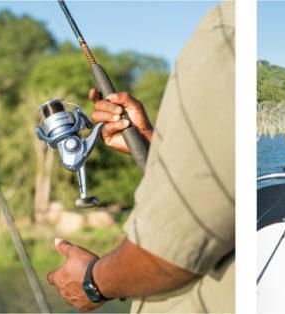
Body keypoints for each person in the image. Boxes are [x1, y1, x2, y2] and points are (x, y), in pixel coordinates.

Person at [46, 1, 235, 312]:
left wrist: (93, 282)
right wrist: (147, 141)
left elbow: (174, 250)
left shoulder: (227, 34)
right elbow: (206, 183)